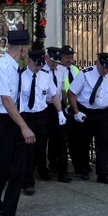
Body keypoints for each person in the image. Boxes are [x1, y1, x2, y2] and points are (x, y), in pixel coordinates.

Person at [0, 29, 35, 216]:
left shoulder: (15, 67)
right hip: (2, 122)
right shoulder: (1, 66)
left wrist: (22, 123)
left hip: (14, 119)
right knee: (3, 170)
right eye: (27, 48)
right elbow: (6, 99)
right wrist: (24, 127)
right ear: (23, 47)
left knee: (18, 170)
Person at [68, 53, 108, 184]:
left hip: (103, 113)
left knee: (103, 143)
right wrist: (76, 112)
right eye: (103, 67)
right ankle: (84, 170)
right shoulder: (85, 74)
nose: (105, 70)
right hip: (85, 112)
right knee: (83, 142)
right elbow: (72, 93)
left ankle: (102, 174)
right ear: (97, 62)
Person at [19, 49, 65, 195]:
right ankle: (27, 182)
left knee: (40, 147)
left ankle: (39, 171)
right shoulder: (20, 76)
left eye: (41, 64)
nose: (39, 67)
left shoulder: (45, 76)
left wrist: (60, 112)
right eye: (36, 64)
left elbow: (54, 95)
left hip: (41, 115)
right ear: (29, 61)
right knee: (28, 150)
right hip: (26, 116)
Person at [36, 47, 73, 182]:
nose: (55, 64)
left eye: (57, 61)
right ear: (46, 57)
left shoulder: (62, 69)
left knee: (61, 140)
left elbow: (62, 90)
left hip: (57, 106)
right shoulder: (40, 69)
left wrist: (65, 108)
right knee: (42, 140)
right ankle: (42, 170)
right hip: (43, 107)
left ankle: (63, 172)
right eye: (52, 61)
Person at [60, 45, 85, 173]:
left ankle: (79, 167)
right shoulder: (58, 70)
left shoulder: (76, 69)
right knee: (60, 140)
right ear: (61, 57)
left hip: (75, 107)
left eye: (71, 57)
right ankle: (58, 167)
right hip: (62, 107)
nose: (69, 59)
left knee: (76, 140)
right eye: (67, 57)